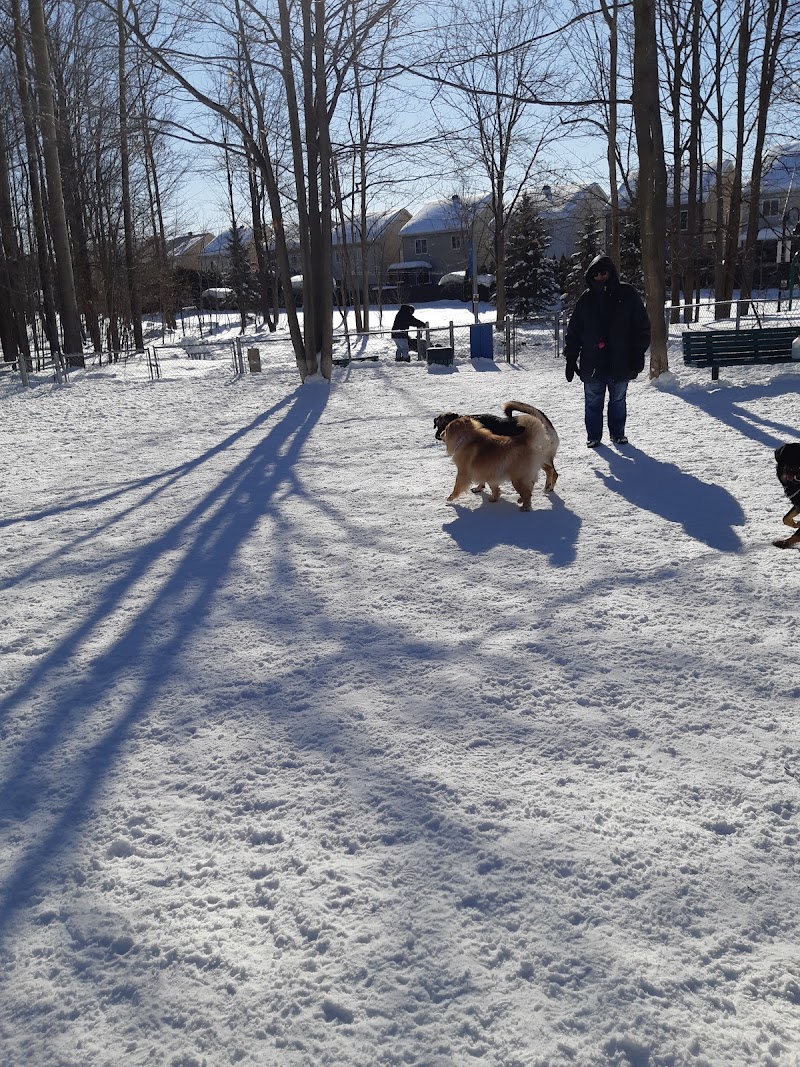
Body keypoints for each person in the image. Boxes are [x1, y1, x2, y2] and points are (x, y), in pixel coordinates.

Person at [564, 254, 651, 447]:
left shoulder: (627, 295)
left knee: (618, 401)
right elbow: (574, 332)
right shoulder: (585, 300)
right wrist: (571, 358)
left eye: (603, 273)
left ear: (611, 273)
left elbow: (642, 327)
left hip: (621, 362)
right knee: (593, 403)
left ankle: (617, 434)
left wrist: (637, 353)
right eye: (595, 274)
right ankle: (594, 436)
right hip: (592, 363)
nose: (600, 277)